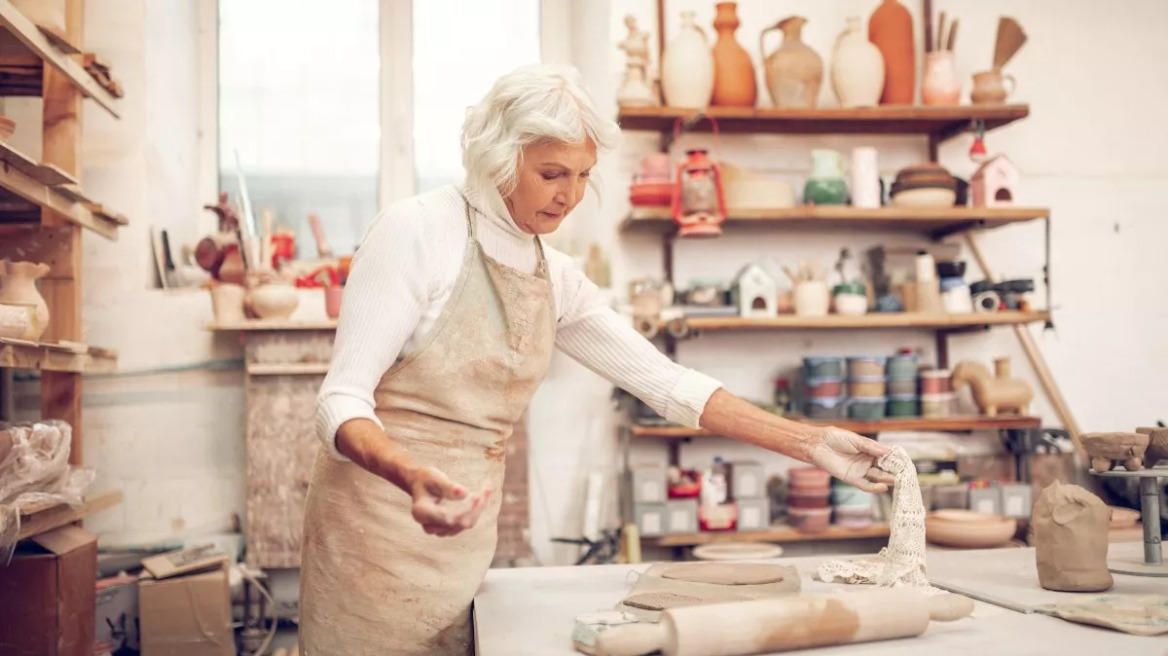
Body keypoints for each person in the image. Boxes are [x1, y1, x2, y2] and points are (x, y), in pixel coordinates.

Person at [298, 63, 893, 656]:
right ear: (498, 159)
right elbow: (340, 401)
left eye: (584, 175)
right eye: (552, 173)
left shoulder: (554, 277)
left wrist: (811, 444)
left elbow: (668, 383)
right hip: (373, 532)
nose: (571, 195)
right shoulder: (416, 232)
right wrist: (410, 474)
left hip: (463, 538)